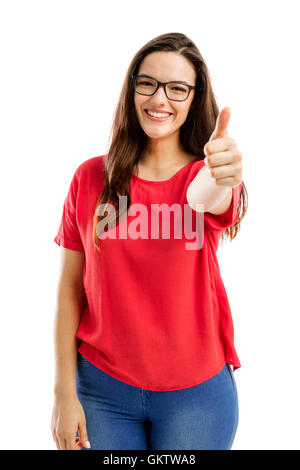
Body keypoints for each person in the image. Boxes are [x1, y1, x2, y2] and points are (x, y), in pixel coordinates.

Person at [51, 32, 248, 451]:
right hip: (103, 392)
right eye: (148, 83)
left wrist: (222, 175)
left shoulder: (205, 178)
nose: (160, 99)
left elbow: (211, 196)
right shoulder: (90, 179)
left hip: (197, 397)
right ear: (132, 89)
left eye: (177, 89)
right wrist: (63, 394)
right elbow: (70, 291)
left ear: (194, 99)